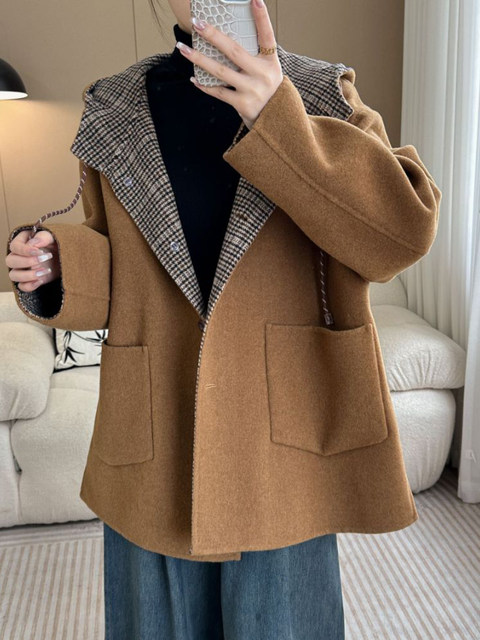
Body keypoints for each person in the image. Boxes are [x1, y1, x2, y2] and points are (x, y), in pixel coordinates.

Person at [5, 0, 442, 638]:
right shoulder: (114, 106)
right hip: (155, 425)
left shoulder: (322, 90)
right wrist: (58, 267)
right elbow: (118, 262)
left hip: (285, 432)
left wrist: (279, 120)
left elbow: (398, 237)